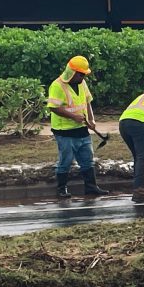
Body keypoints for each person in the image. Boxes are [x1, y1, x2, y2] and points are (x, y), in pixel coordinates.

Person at [47, 55, 108, 199]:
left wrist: (91, 119)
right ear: (72, 72)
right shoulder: (57, 86)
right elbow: (53, 108)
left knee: (87, 159)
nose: (83, 77)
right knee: (66, 161)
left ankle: (91, 188)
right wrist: (73, 116)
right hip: (64, 132)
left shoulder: (82, 83)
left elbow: (87, 102)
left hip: (82, 129)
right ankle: (61, 189)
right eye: (81, 74)